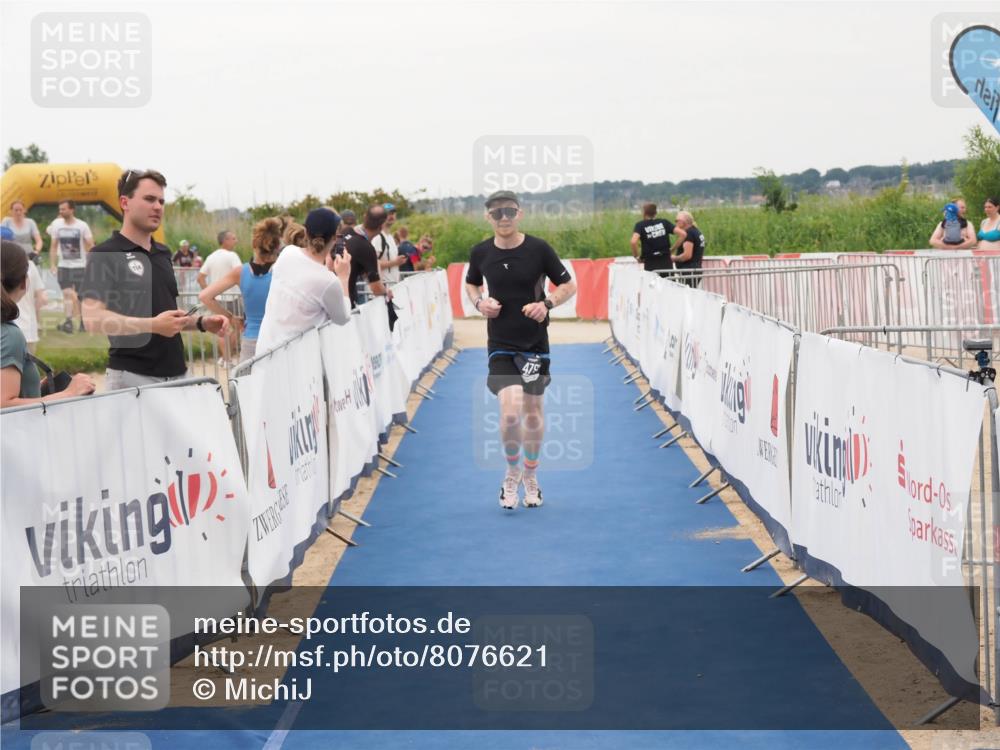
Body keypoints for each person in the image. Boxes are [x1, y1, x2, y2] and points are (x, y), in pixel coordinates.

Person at [464, 190, 576, 511]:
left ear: (519, 214)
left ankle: (531, 475)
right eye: (497, 213)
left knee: (533, 412)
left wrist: (547, 304)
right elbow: (472, 283)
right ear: (488, 217)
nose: (503, 219)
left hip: (534, 345)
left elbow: (569, 285)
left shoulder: (539, 249)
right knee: (510, 412)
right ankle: (512, 471)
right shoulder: (480, 252)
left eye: (509, 212)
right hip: (500, 343)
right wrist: (479, 302)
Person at [80, 169, 230, 391]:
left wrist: (202, 323)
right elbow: (92, 319)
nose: (158, 206)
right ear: (125, 202)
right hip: (132, 379)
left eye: (161, 201)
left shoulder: (163, 252)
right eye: (149, 199)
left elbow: (168, 318)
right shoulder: (104, 254)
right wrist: (153, 326)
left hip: (178, 374)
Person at [2, 240, 95, 406]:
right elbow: (4, 404)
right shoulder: (10, 335)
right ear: (24, 281)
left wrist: (34, 387)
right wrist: (70, 393)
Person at [255, 208, 353, 353]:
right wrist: (343, 278)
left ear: (306, 232)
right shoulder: (328, 281)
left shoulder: (287, 253)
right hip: (300, 360)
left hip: (266, 351)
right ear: (334, 238)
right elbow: (343, 317)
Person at [200, 217, 284, 363]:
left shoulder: (241, 272)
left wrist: (230, 317)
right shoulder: (282, 270)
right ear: (277, 246)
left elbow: (205, 296)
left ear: (254, 244)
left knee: (248, 383)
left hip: (251, 339)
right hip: (277, 338)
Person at [47, 199, 94, 333]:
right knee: (67, 294)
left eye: (63, 209)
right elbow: (53, 245)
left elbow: (90, 245)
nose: (61, 211)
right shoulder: (56, 224)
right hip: (63, 266)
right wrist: (52, 264)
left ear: (72, 210)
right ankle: (68, 322)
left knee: (80, 295)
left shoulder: (82, 226)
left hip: (80, 266)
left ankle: (82, 323)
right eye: (60, 209)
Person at [198, 230, 243, 360]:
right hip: (232, 298)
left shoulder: (211, 256)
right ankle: (228, 358)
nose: (236, 241)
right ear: (225, 241)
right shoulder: (232, 255)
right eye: (233, 238)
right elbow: (240, 274)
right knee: (238, 327)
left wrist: (209, 292)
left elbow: (200, 278)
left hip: (216, 300)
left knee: (222, 330)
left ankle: (226, 359)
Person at [343, 205, 389, 307]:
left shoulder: (345, 232)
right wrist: (386, 292)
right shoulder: (366, 248)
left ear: (364, 217)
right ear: (381, 226)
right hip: (345, 302)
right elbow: (376, 288)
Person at [630, 203, 686, 274]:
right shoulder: (664, 222)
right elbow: (683, 234)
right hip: (665, 260)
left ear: (644, 213)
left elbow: (633, 242)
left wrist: (637, 256)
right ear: (655, 213)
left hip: (650, 262)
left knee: (652, 284)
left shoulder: (640, 225)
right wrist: (672, 249)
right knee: (668, 284)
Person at [374, 202, 407, 285]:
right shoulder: (377, 237)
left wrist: (398, 261)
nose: (391, 216)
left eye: (392, 213)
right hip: (382, 290)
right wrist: (395, 262)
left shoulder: (390, 238)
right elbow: (372, 263)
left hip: (392, 287)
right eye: (387, 214)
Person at [672, 211, 707, 287]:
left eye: (677, 221)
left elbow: (687, 255)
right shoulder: (696, 231)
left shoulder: (689, 233)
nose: (675, 223)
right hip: (694, 270)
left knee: (686, 296)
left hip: (688, 271)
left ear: (684, 222)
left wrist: (674, 258)